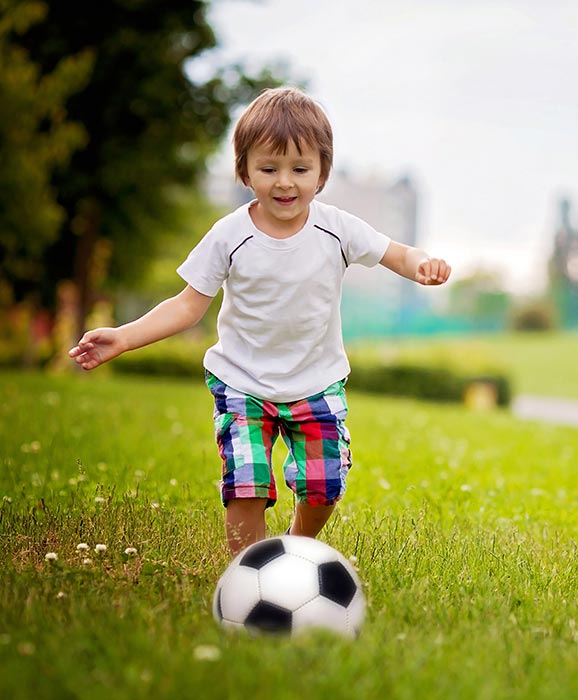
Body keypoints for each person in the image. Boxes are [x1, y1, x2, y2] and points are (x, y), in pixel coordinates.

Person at [68, 87, 451, 555]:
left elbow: (397, 253)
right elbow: (188, 305)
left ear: (322, 173)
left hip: (317, 383)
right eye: (269, 169)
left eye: (300, 169)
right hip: (242, 382)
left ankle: (295, 551)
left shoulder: (337, 228)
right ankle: (247, 575)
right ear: (245, 170)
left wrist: (422, 265)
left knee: (324, 485)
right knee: (246, 484)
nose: (284, 183)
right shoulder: (229, 235)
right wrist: (123, 338)